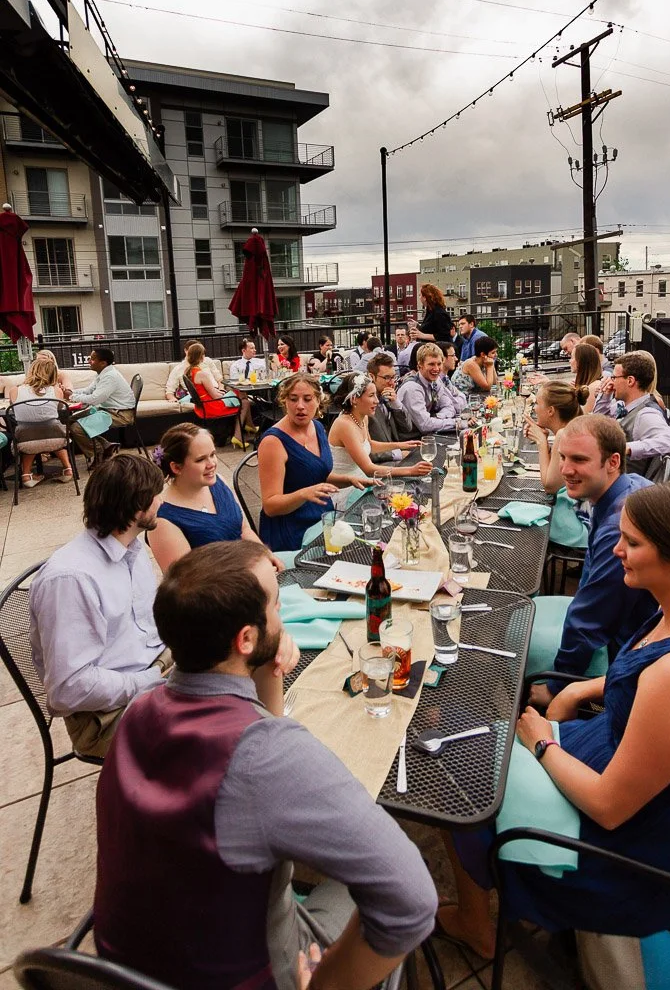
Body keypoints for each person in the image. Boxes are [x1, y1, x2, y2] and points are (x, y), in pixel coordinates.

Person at [93, 540, 438, 990]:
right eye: (277, 603)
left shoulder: (137, 712)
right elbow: (411, 901)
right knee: (364, 889)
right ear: (246, 638)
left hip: (122, 970)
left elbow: (254, 769)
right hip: (245, 976)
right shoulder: (266, 756)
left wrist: (267, 670)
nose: (283, 613)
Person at [440, 481, 670, 953]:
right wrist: (583, 689)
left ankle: (476, 923)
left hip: (629, 862)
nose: (616, 550)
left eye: (632, 542)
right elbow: (644, 673)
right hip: (613, 766)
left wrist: (541, 742)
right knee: (470, 733)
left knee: (453, 771)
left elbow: (610, 807)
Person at [29, 455, 171, 758]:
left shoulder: (131, 548)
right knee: (217, 728)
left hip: (151, 669)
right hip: (103, 718)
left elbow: (145, 628)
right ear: (137, 507)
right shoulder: (71, 579)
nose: (162, 500)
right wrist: (150, 680)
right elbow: (69, 687)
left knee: (241, 663)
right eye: (156, 494)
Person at [528, 414, 655, 711]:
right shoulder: (628, 486)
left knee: (508, 646)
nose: (566, 469)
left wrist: (557, 684)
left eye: (579, 460)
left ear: (612, 462)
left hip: (628, 649)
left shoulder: (620, 528)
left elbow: (590, 620)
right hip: (628, 625)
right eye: (562, 457)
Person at [149, 423, 284, 575]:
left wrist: (266, 555)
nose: (211, 464)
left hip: (251, 573)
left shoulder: (218, 482)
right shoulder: (163, 520)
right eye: (201, 460)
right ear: (176, 468)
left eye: (212, 455)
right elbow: (186, 583)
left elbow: (243, 529)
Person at [258, 374, 363, 553]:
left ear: (318, 401)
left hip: (322, 519)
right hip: (290, 529)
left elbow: (316, 475)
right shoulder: (273, 442)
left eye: (307, 399)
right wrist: (304, 494)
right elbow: (270, 506)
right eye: (293, 399)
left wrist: (349, 479)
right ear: (284, 402)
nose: (300, 406)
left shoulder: (318, 428)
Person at [593, 350, 670, 477]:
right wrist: (605, 396)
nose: (611, 382)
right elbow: (597, 423)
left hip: (628, 490)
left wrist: (628, 448)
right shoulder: (625, 406)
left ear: (630, 381)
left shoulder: (646, 414)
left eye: (614, 378)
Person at [329, 373, 429, 481]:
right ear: (354, 399)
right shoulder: (344, 425)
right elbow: (368, 469)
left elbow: (369, 445)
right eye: (371, 395)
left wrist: (401, 445)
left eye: (376, 395)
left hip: (360, 479)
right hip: (347, 487)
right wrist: (410, 471)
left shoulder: (363, 417)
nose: (377, 400)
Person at [9, 352, 72, 488]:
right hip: (57, 440)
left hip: (26, 442)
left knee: (29, 429)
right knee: (50, 426)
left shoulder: (15, 390)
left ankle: (26, 475)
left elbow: (14, 410)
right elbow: (60, 408)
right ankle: (68, 469)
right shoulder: (56, 391)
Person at [66, 347, 135, 464]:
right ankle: (106, 446)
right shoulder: (103, 373)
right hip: (108, 409)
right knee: (70, 420)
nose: (89, 361)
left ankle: (100, 452)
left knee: (76, 428)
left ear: (103, 363)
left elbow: (95, 399)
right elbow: (89, 390)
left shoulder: (110, 376)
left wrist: (71, 397)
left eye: (92, 359)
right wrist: (72, 392)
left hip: (120, 414)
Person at [185, 341, 255, 449]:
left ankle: (250, 427)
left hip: (202, 405)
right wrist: (225, 395)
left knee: (240, 396)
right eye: (203, 354)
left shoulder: (189, 371)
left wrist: (223, 393)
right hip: (211, 406)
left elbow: (207, 392)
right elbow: (215, 396)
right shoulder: (202, 374)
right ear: (201, 356)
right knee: (244, 402)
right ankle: (238, 437)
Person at [523, 380, 587, 494]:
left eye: (537, 403)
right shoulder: (573, 427)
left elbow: (550, 487)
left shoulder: (564, 434)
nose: (534, 408)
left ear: (550, 411)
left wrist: (541, 442)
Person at [396, 343, 467, 434]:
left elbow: (449, 406)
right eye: (431, 364)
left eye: (439, 364)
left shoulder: (435, 380)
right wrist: (457, 422)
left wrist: (436, 418)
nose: (436, 369)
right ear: (419, 366)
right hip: (409, 440)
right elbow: (425, 425)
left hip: (426, 435)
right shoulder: (412, 388)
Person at [367, 354, 419, 459]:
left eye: (393, 377)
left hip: (398, 454)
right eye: (386, 378)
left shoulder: (388, 397)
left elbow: (407, 428)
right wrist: (397, 454)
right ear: (371, 377)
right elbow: (364, 451)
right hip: (382, 463)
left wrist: (396, 404)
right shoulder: (364, 404)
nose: (392, 383)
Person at [165, 338, 218, 403]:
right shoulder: (179, 369)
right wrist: (173, 399)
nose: (195, 354)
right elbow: (169, 390)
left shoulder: (207, 361)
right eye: (193, 352)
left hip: (215, 392)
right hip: (205, 397)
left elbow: (219, 379)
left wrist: (221, 389)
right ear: (185, 351)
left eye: (197, 352)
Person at [570, 341, 603, 412]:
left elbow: (584, 418)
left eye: (572, 357)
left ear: (581, 361)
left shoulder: (593, 387)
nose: (570, 361)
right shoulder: (584, 385)